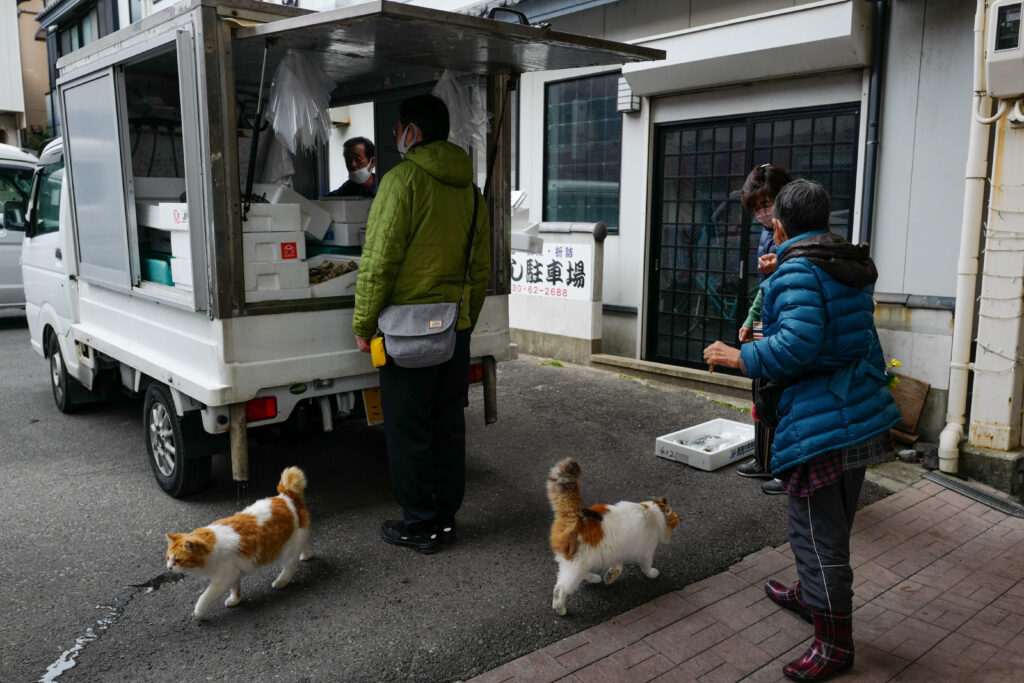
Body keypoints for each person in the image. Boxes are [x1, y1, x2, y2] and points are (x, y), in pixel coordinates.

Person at [703, 179, 900, 681]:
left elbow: (797, 346)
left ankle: (835, 643)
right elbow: (844, 339)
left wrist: (737, 355)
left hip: (824, 421)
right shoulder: (844, 263)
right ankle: (809, 592)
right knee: (829, 524)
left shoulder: (798, 268)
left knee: (817, 534)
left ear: (781, 225)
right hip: (858, 413)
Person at [352, 94, 490, 555]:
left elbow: (379, 260)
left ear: (410, 132)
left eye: (397, 130)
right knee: (447, 425)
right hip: (455, 329)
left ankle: (420, 524)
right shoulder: (471, 191)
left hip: (405, 334)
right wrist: (463, 320)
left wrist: (363, 321)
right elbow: (481, 267)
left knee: (408, 429)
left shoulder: (401, 180)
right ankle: (445, 517)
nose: (395, 138)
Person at [736, 163, 793, 496]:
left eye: (766, 204)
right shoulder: (765, 234)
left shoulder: (798, 231)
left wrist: (781, 264)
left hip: (787, 326)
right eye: (755, 208)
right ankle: (763, 460)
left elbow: (800, 276)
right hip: (765, 321)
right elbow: (765, 289)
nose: (761, 213)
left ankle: (781, 467)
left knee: (780, 396)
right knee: (760, 389)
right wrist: (750, 322)